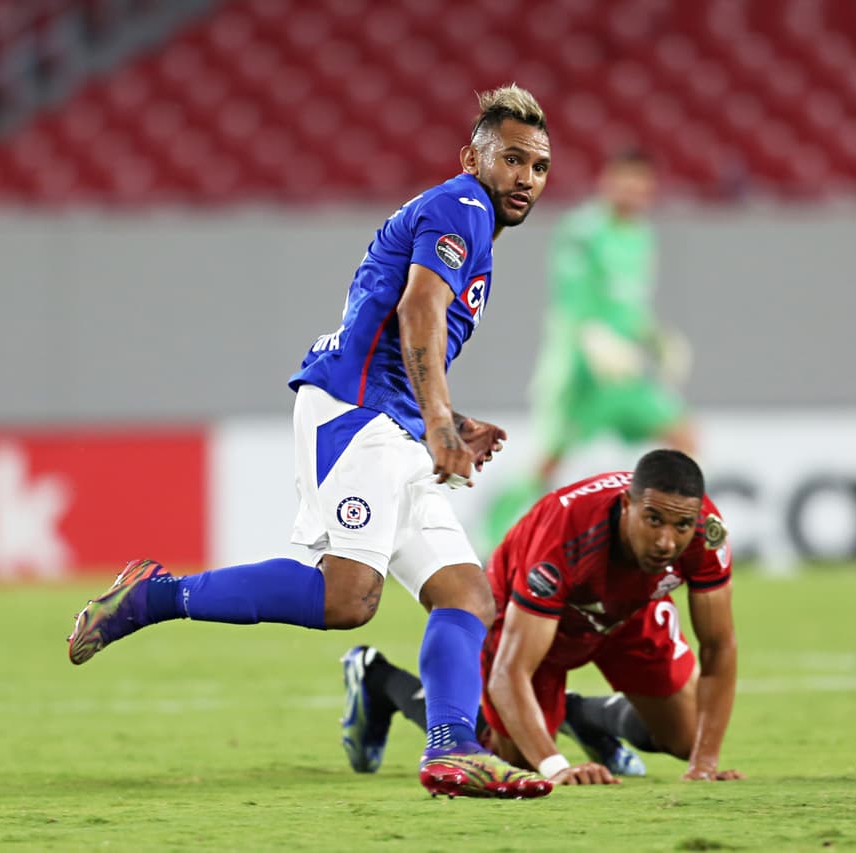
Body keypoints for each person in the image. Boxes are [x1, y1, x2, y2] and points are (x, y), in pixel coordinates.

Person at [66, 85, 555, 800]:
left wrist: (443, 417)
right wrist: (441, 419)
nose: (525, 177)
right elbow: (419, 308)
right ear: (472, 158)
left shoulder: (469, 221)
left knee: (467, 595)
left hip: (393, 419)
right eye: (511, 158)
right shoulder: (464, 206)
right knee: (348, 597)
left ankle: (452, 748)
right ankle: (152, 599)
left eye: (538, 166)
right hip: (358, 413)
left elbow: (403, 328)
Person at [343, 449, 743, 785]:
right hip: (530, 614)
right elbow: (509, 672)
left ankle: (579, 714)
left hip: (630, 609)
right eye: (652, 520)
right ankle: (381, 679)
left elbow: (719, 646)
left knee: (690, 737)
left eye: (681, 526)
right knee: (514, 759)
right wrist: (558, 768)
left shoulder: (704, 531)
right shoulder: (567, 536)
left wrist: (704, 764)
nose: (665, 541)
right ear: (627, 505)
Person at [483, 148, 695, 550]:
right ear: (608, 181)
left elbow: (630, 306)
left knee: (685, 437)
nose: (632, 191)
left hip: (624, 371)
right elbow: (571, 298)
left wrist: (656, 338)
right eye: (625, 180)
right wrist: (590, 336)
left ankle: (671, 540)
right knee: (547, 461)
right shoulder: (583, 231)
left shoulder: (641, 236)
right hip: (580, 368)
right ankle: (494, 541)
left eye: (641, 184)